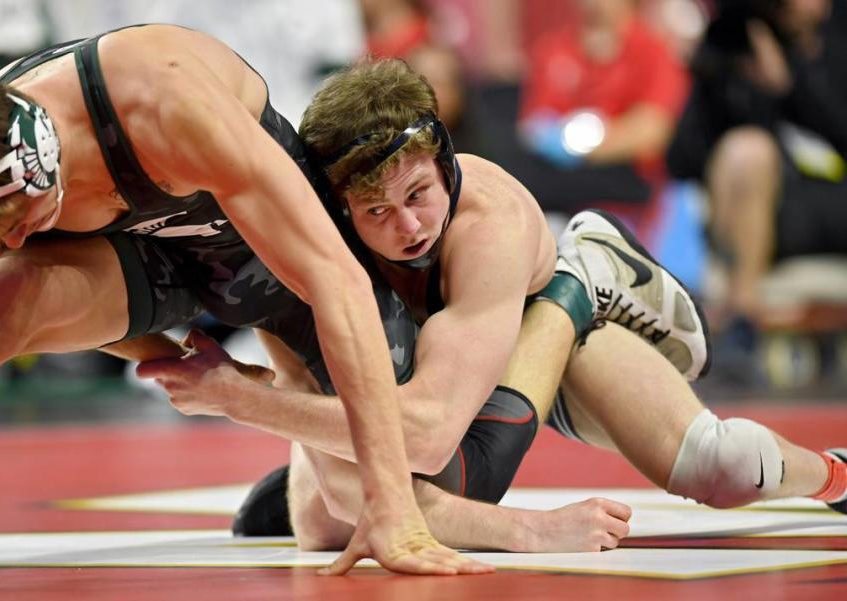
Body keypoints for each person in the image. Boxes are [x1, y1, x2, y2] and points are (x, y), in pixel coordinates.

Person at [138, 58, 847, 561]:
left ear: (446, 162)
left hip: (534, 329)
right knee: (327, 522)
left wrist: (236, 397)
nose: (409, 227)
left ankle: (582, 284)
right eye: (377, 211)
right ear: (339, 210)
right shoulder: (311, 253)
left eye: (418, 194)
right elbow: (358, 468)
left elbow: (435, 445)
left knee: (723, 465)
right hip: (432, 375)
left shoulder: (488, 224)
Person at [0, 24, 490, 576]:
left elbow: (333, 278)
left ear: (39, 158)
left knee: (427, 455)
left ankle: (558, 306)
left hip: (258, 251)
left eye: (18, 222)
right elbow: (25, 271)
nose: (16, 242)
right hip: (144, 263)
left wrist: (390, 506)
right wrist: (173, 360)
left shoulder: (162, 99)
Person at [667, 0, 847, 323]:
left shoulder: (836, 40)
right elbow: (681, 158)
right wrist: (713, 77)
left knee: (750, 153)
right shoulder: (736, 40)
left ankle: (741, 315)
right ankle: (741, 315)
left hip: (831, 201)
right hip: (761, 207)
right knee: (745, 150)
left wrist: (789, 87)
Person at [501, 0, 688, 218]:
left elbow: (652, 131)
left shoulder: (654, 51)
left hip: (627, 186)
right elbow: (533, 127)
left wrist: (581, 145)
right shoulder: (553, 50)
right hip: (557, 186)